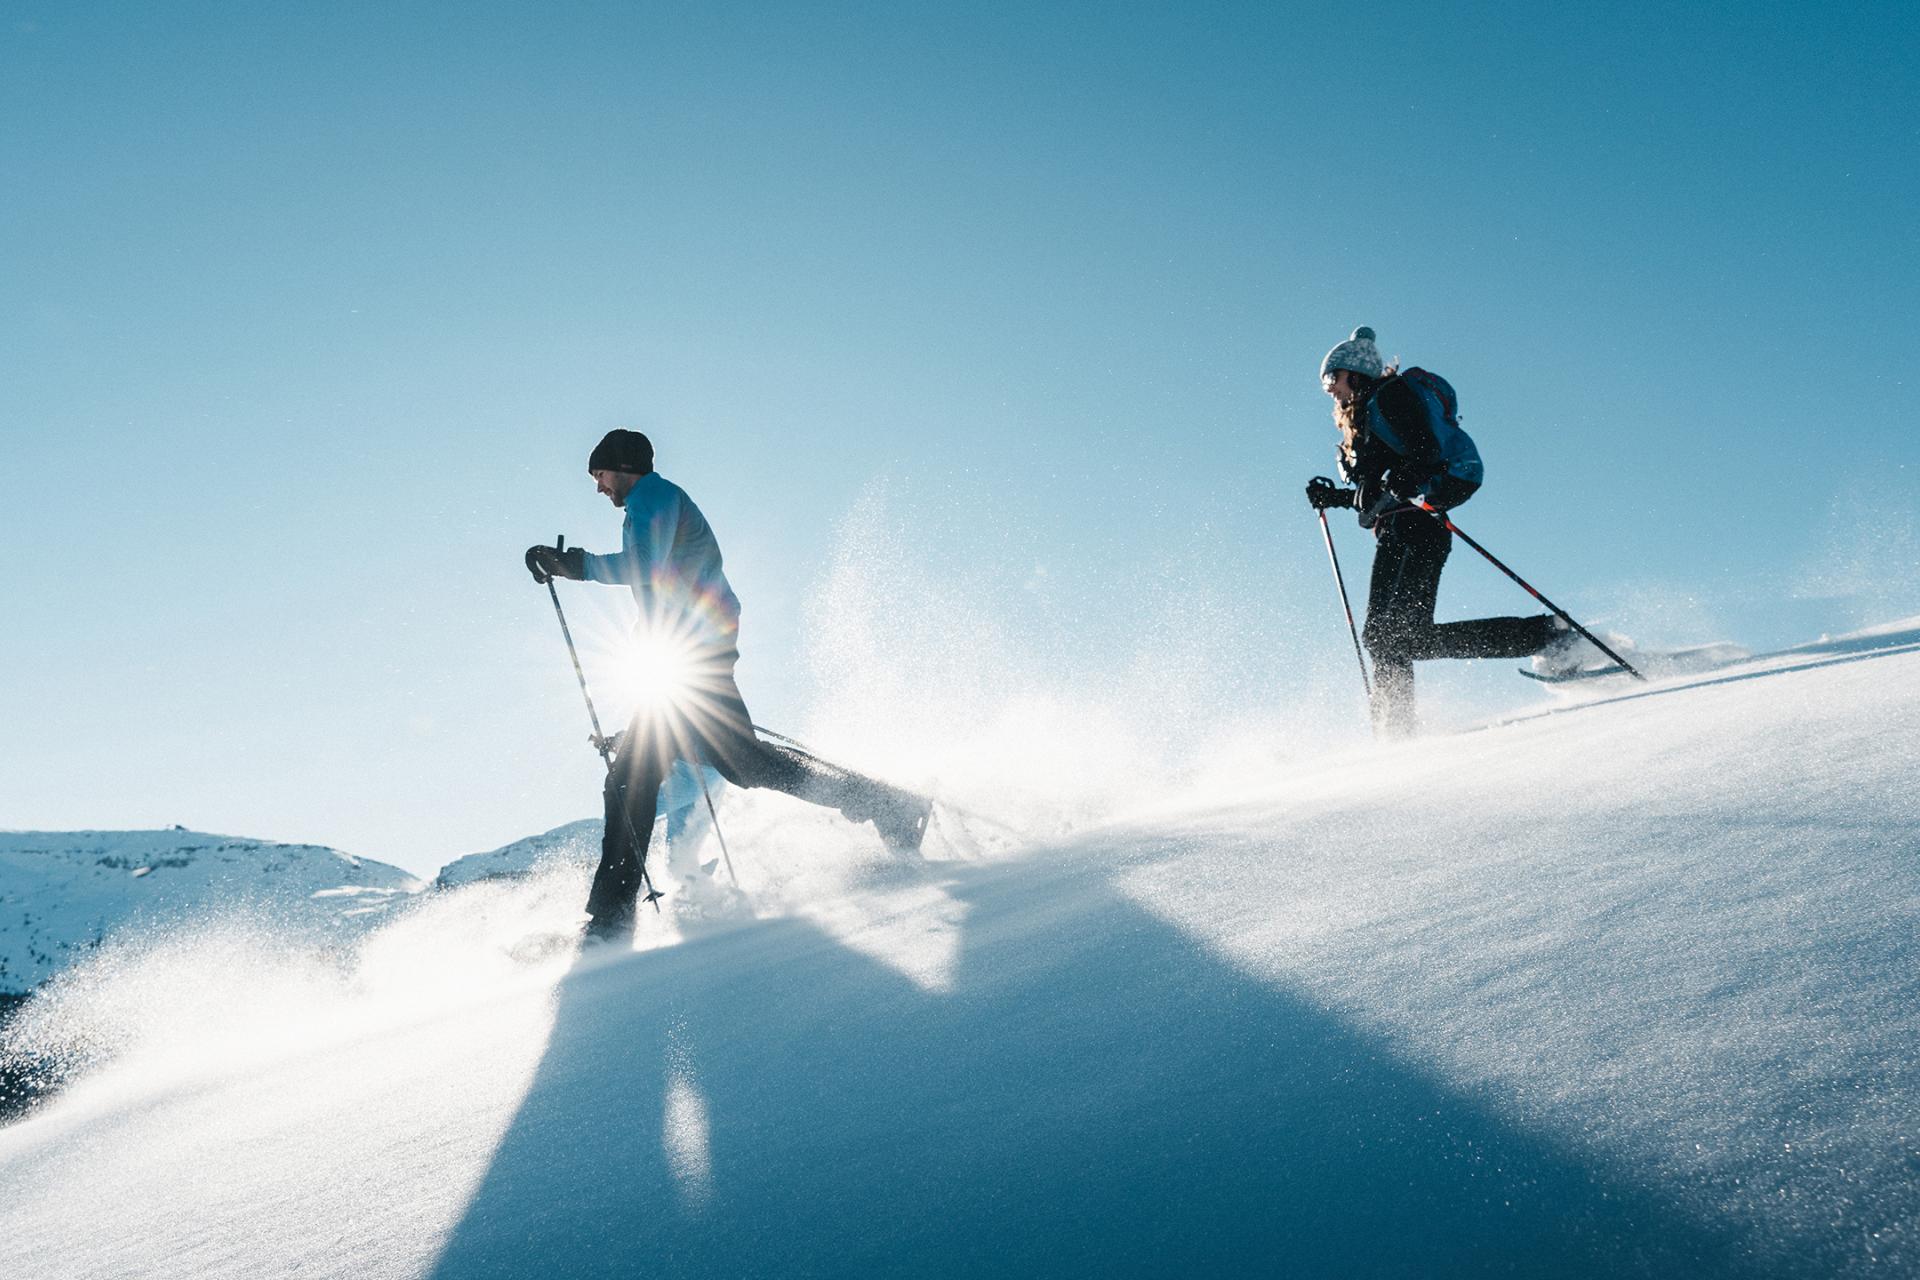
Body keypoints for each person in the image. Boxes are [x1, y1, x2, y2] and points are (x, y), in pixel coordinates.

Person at [526, 429, 929, 941]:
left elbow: (645, 569)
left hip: (693, 653)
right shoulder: (650, 505)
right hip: (687, 652)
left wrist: (573, 564)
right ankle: (887, 805)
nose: (599, 488)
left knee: (639, 777)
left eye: (600, 476)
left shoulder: (652, 497)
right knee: (737, 764)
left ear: (622, 467)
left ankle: (610, 918)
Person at [1305, 327, 1569, 735]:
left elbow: (1424, 450)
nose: (1329, 389)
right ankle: (1396, 730)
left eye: (1332, 378)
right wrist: (1335, 499)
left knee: (1405, 638)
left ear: (1355, 372)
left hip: (1420, 528)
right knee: (1381, 638)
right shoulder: (1366, 416)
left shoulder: (1391, 396)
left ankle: (1547, 635)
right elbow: (1379, 490)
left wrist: (1405, 479)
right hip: (1394, 530)